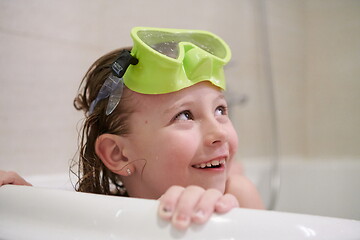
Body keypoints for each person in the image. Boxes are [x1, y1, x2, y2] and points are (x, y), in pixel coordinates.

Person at [0, 27, 264, 230]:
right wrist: (28, 205)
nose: (219, 133)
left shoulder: (238, 197)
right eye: (185, 115)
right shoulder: (108, 211)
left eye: (221, 110)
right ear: (119, 154)